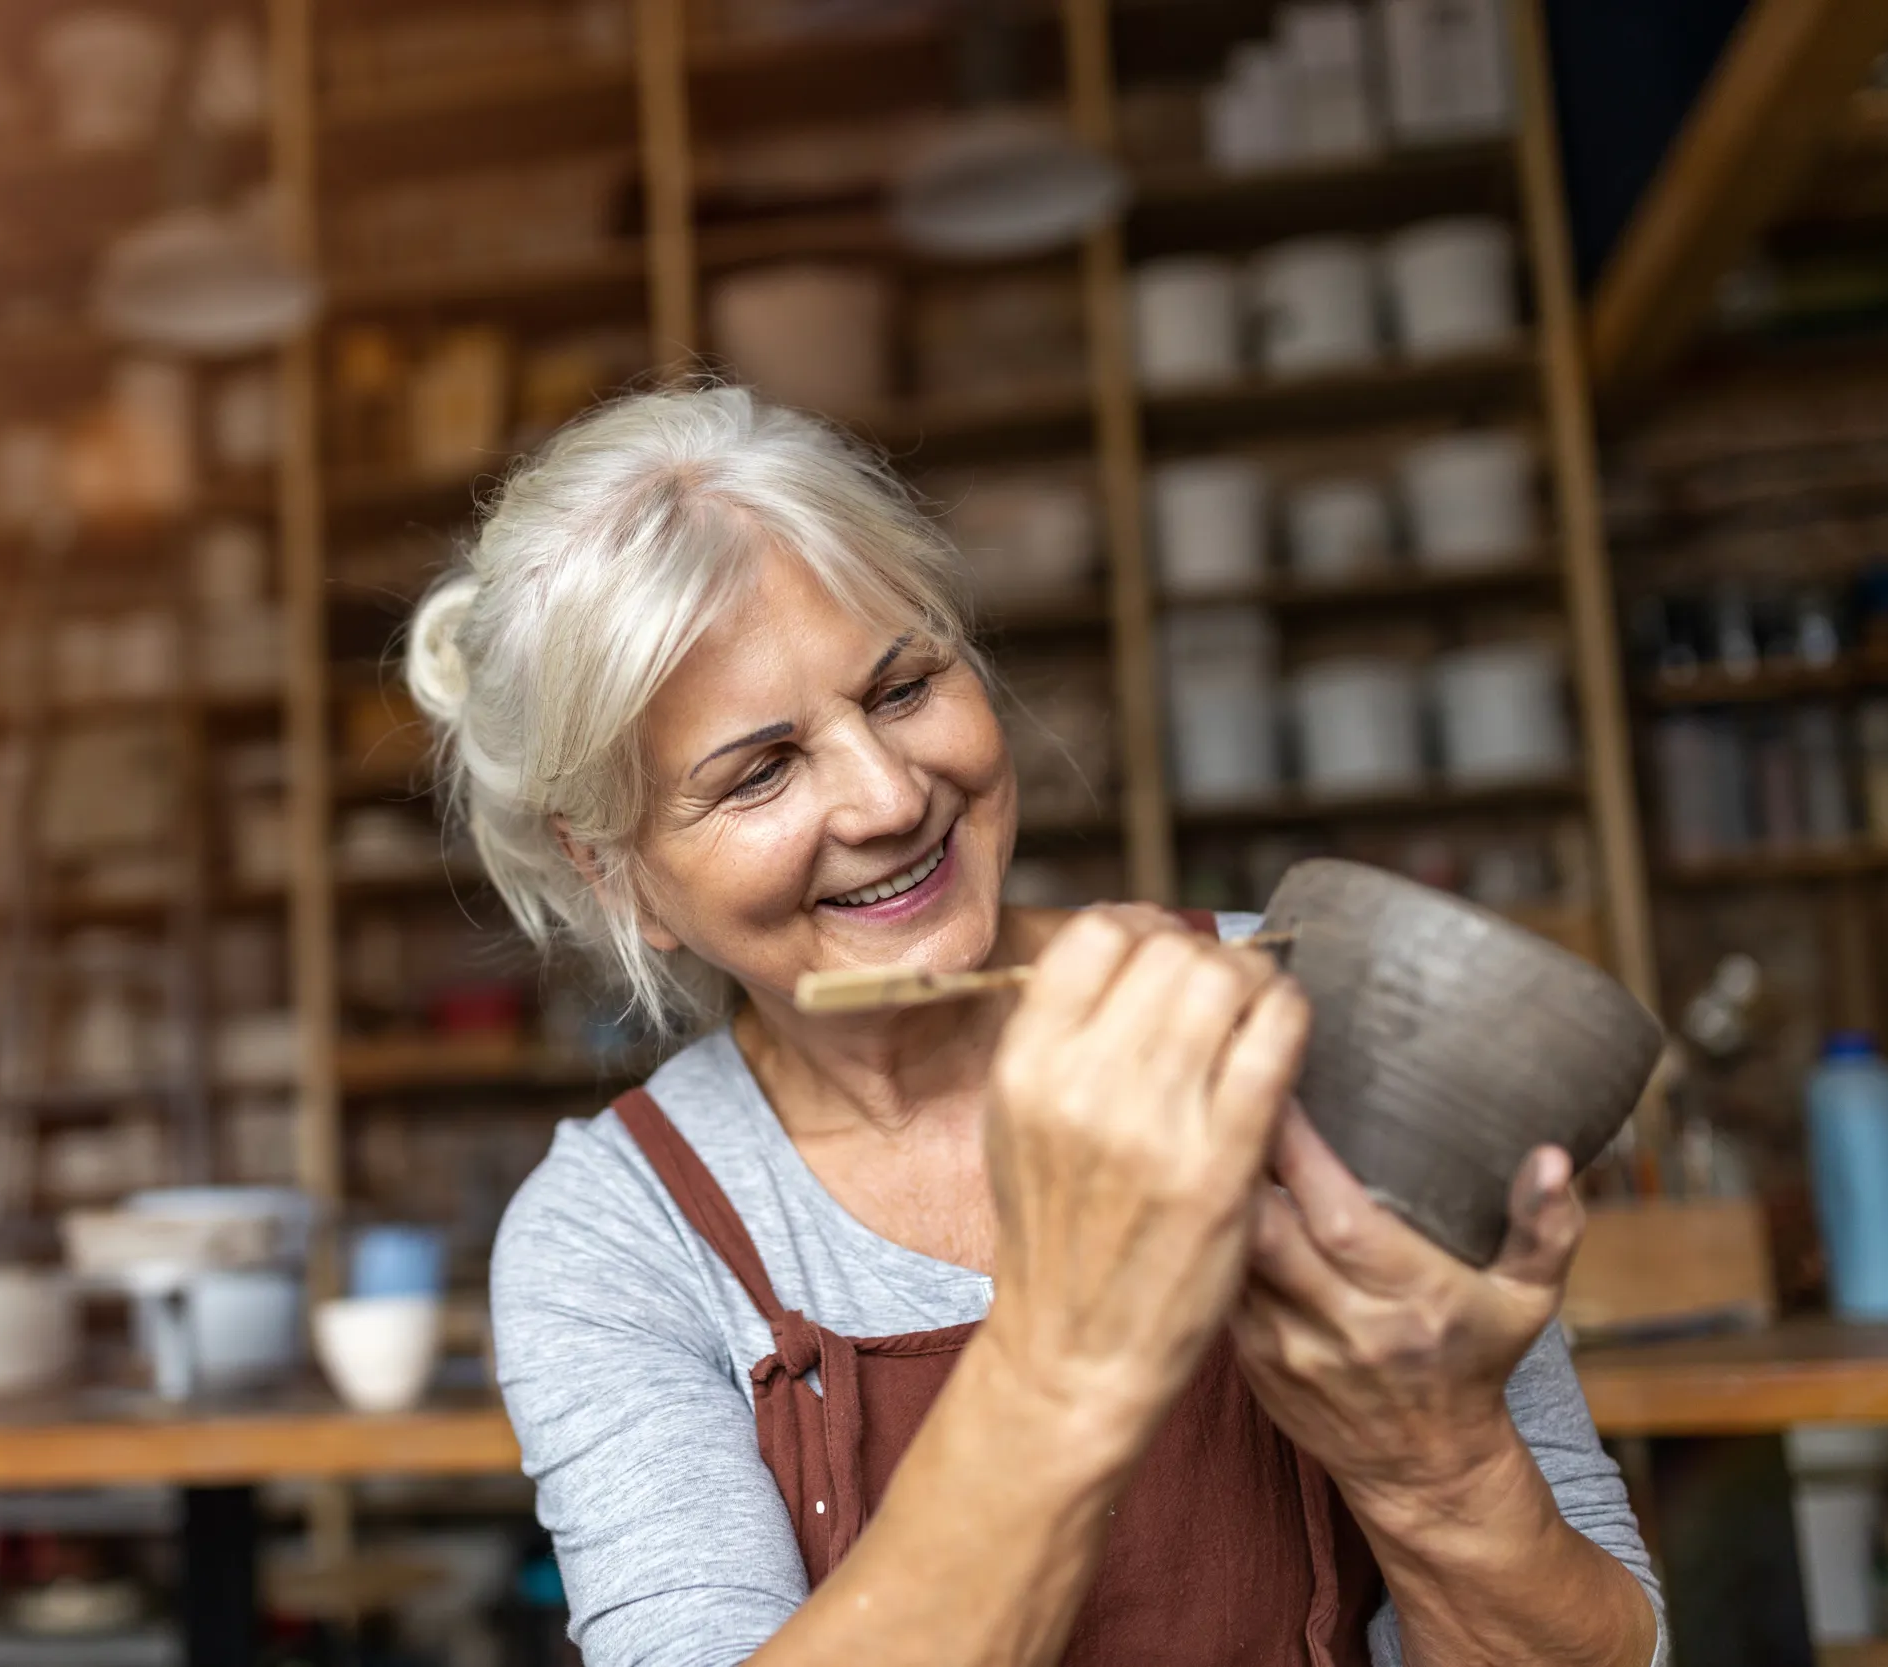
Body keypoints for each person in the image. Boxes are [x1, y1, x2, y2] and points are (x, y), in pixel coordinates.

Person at [405, 385, 1663, 1667]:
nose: (890, 796)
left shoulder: (1292, 1011)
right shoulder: (619, 1231)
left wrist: (1439, 1471)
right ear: (615, 870)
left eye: (902, 687)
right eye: (761, 770)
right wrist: (1065, 1355)